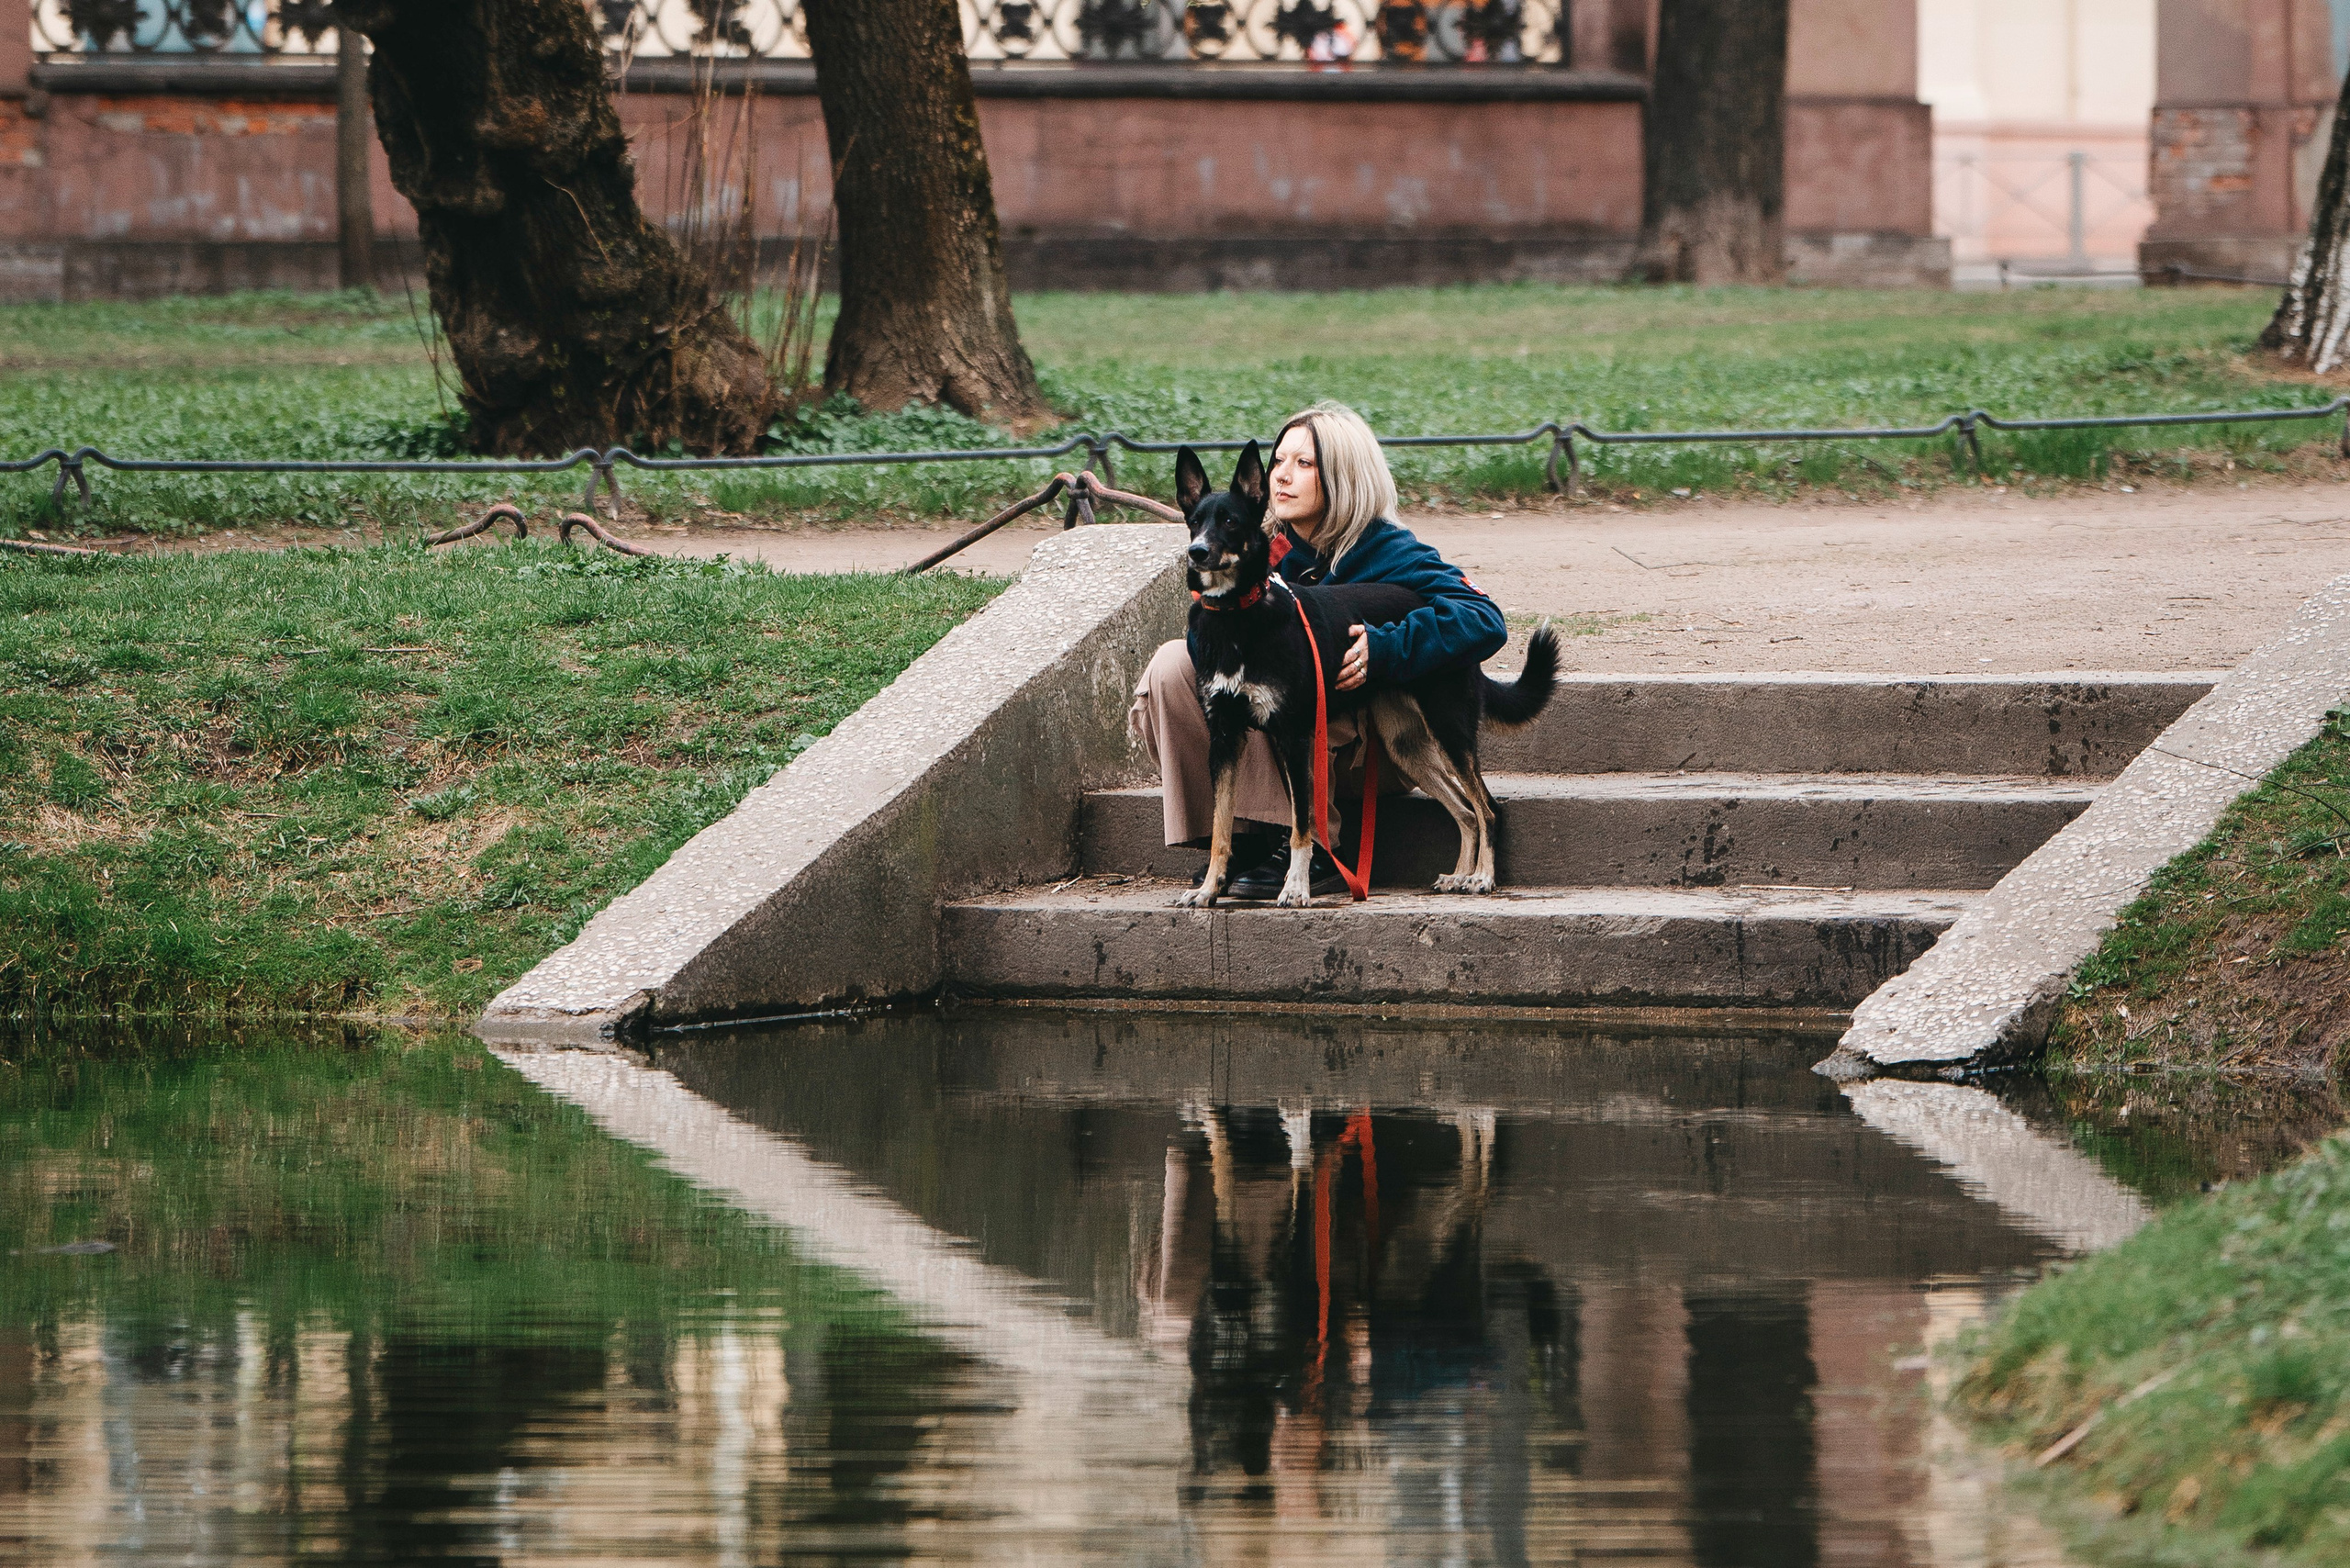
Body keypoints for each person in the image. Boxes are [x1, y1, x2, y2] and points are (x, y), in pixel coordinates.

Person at [1128, 400, 1507, 898]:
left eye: (1304, 464)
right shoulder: (1264, 548)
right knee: (1172, 664)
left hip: (1372, 740)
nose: (1282, 476)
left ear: (1343, 477)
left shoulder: (1389, 550)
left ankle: (1317, 845)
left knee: (1280, 678)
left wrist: (1386, 647)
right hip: (1295, 735)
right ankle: (1240, 839)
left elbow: (1484, 619)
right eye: (1279, 461)